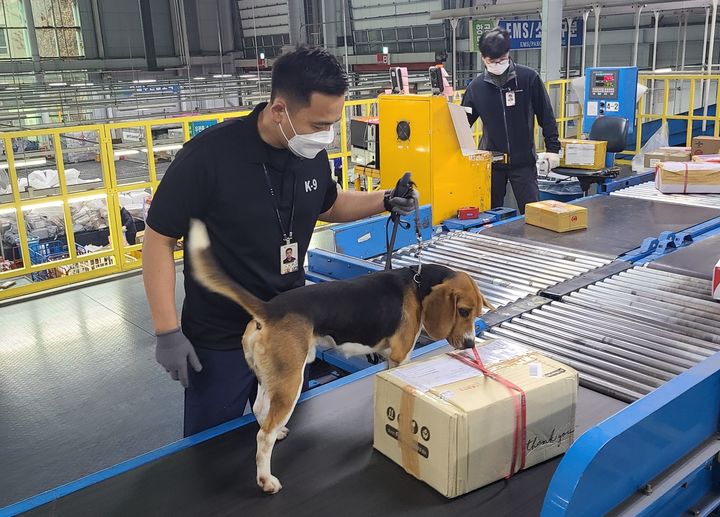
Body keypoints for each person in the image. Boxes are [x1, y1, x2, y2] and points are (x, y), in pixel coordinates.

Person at [142, 45, 417, 437]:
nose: (327, 134)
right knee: (210, 454)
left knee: (286, 434)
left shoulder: (309, 152)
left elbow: (329, 203)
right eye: (319, 124)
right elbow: (158, 239)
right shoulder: (207, 158)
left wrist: (386, 199)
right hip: (221, 337)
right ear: (278, 111)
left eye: (333, 123)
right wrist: (167, 331)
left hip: (292, 327)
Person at [461, 27, 560, 214]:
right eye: (492, 61)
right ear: (483, 58)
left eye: (502, 60)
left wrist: (553, 148)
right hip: (492, 163)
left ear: (508, 54)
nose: (498, 64)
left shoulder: (528, 79)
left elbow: (545, 115)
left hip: (524, 162)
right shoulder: (476, 88)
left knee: (533, 213)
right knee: (489, 214)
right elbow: (463, 123)